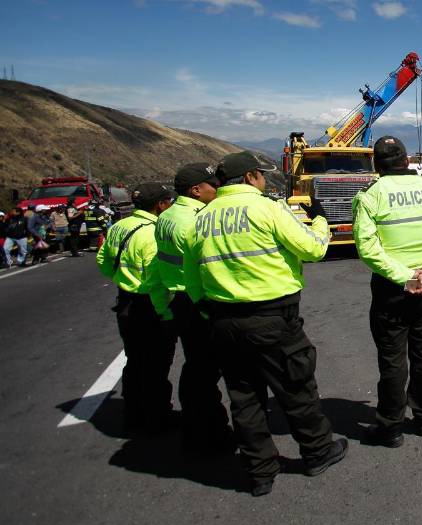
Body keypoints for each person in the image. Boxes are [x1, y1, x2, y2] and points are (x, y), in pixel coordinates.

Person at [187, 151, 346, 496]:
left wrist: (210, 312)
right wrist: (319, 221)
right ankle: (317, 452)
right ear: (249, 177)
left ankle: (260, 471)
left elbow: (192, 277)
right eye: (260, 175)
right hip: (273, 319)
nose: (263, 180)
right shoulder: (266, 208)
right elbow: (313, 249)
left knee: (244, 398)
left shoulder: (201, 219)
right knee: (296, 387)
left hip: (223, 321)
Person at [352, 136, 422, 448]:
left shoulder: (370, 196)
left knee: (392, 359)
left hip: (391, 291)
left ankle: (391, 427)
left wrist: (404, 277)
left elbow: (368, 248)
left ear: (376, 163)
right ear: (407, 160)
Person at [150, 162, 234, 455]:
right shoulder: (195, 221)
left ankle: (199, 430)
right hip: (197, 300)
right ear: (196, 190)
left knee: (197, 370)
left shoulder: (167, 216)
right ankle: (208, 436)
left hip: (179, 300)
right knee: (206, 373)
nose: (218, 188)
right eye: (213, 184)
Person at [97, 183, 176, 435]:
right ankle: (157, 418)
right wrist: (165, 312)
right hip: (149, 306)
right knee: (156, 365)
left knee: (134, 361)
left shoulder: (119, 227)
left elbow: (103, 260)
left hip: (126, 302)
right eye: (168, 202)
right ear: (160, 205)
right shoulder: (153, 233)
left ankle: (133, 414)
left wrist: (123, 280)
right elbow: (155, 281)